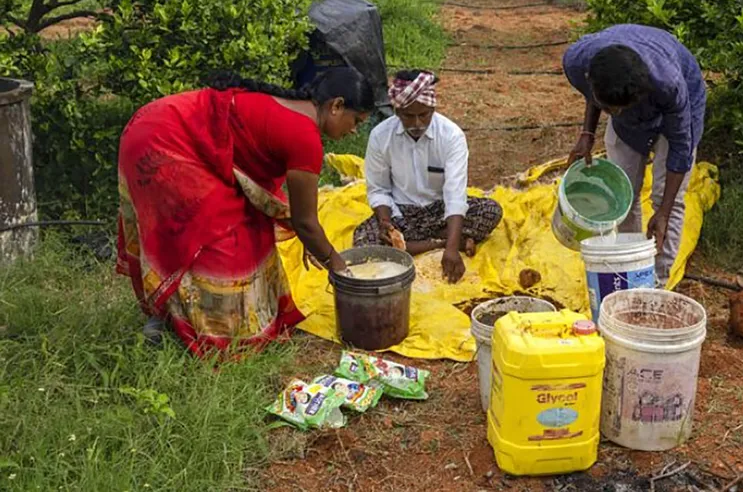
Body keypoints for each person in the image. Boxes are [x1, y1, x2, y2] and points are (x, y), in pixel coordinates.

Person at [116, 67, 375, 356]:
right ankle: (197, 333)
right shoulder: (305, 137)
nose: (353, 130)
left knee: (251, 231)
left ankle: (176, 319)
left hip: (161, 127)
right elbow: (306, 222)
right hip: (164, 142)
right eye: (356, 121)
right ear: (337, 106)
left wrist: (310, 239)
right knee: (212, 243)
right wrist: (337, 264)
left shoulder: (295, 113)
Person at [563, 24, 706, 284]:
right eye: (610, 109)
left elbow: (681, 148)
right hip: (629, 109)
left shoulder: (669, 84)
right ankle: (630, 271)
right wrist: (587, 134)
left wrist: (662, 212)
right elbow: (592, 90)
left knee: (668, 200)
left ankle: (657, 284)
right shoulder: (577, 62)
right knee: (622, 196)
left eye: (620, 108)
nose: (614, 114)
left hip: (677, 106)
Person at [353, 70, 503, 283]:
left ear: (433, 108)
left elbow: (454, 196)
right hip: (400, 214)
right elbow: (379, 189)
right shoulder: (380, 136)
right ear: (397, 111)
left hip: (439, 211)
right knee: (364, 241)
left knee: (491, 210)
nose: (416, 123)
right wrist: (386, 223)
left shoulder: (451, 136)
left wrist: (450, 253)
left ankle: (417, 245)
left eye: (423, 115)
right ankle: (439, 242)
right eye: (408, 116)